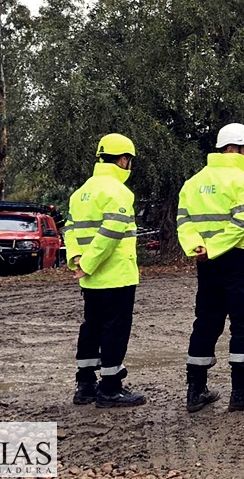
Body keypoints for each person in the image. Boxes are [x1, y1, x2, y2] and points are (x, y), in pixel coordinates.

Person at [177, 122, 244, 412]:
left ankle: (195, 391)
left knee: (206, 322)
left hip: (206, 263)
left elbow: (183, 221)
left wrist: (199, 249)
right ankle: (241, 392)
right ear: (231, 150)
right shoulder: (243, 182)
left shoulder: (192, 183)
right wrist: (217, 248)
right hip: (236, 260)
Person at [66, 133, 146, 407]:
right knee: (115, 330)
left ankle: (85, 385)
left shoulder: (80, 193)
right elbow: (111, 233)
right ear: (124, 160)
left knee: (91, 327)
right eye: (129, 161)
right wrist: (88, 264)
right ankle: (110, 388)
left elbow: (69, 229)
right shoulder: (119, 192)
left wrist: (78, 258)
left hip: (91, 280)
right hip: (116, 276)